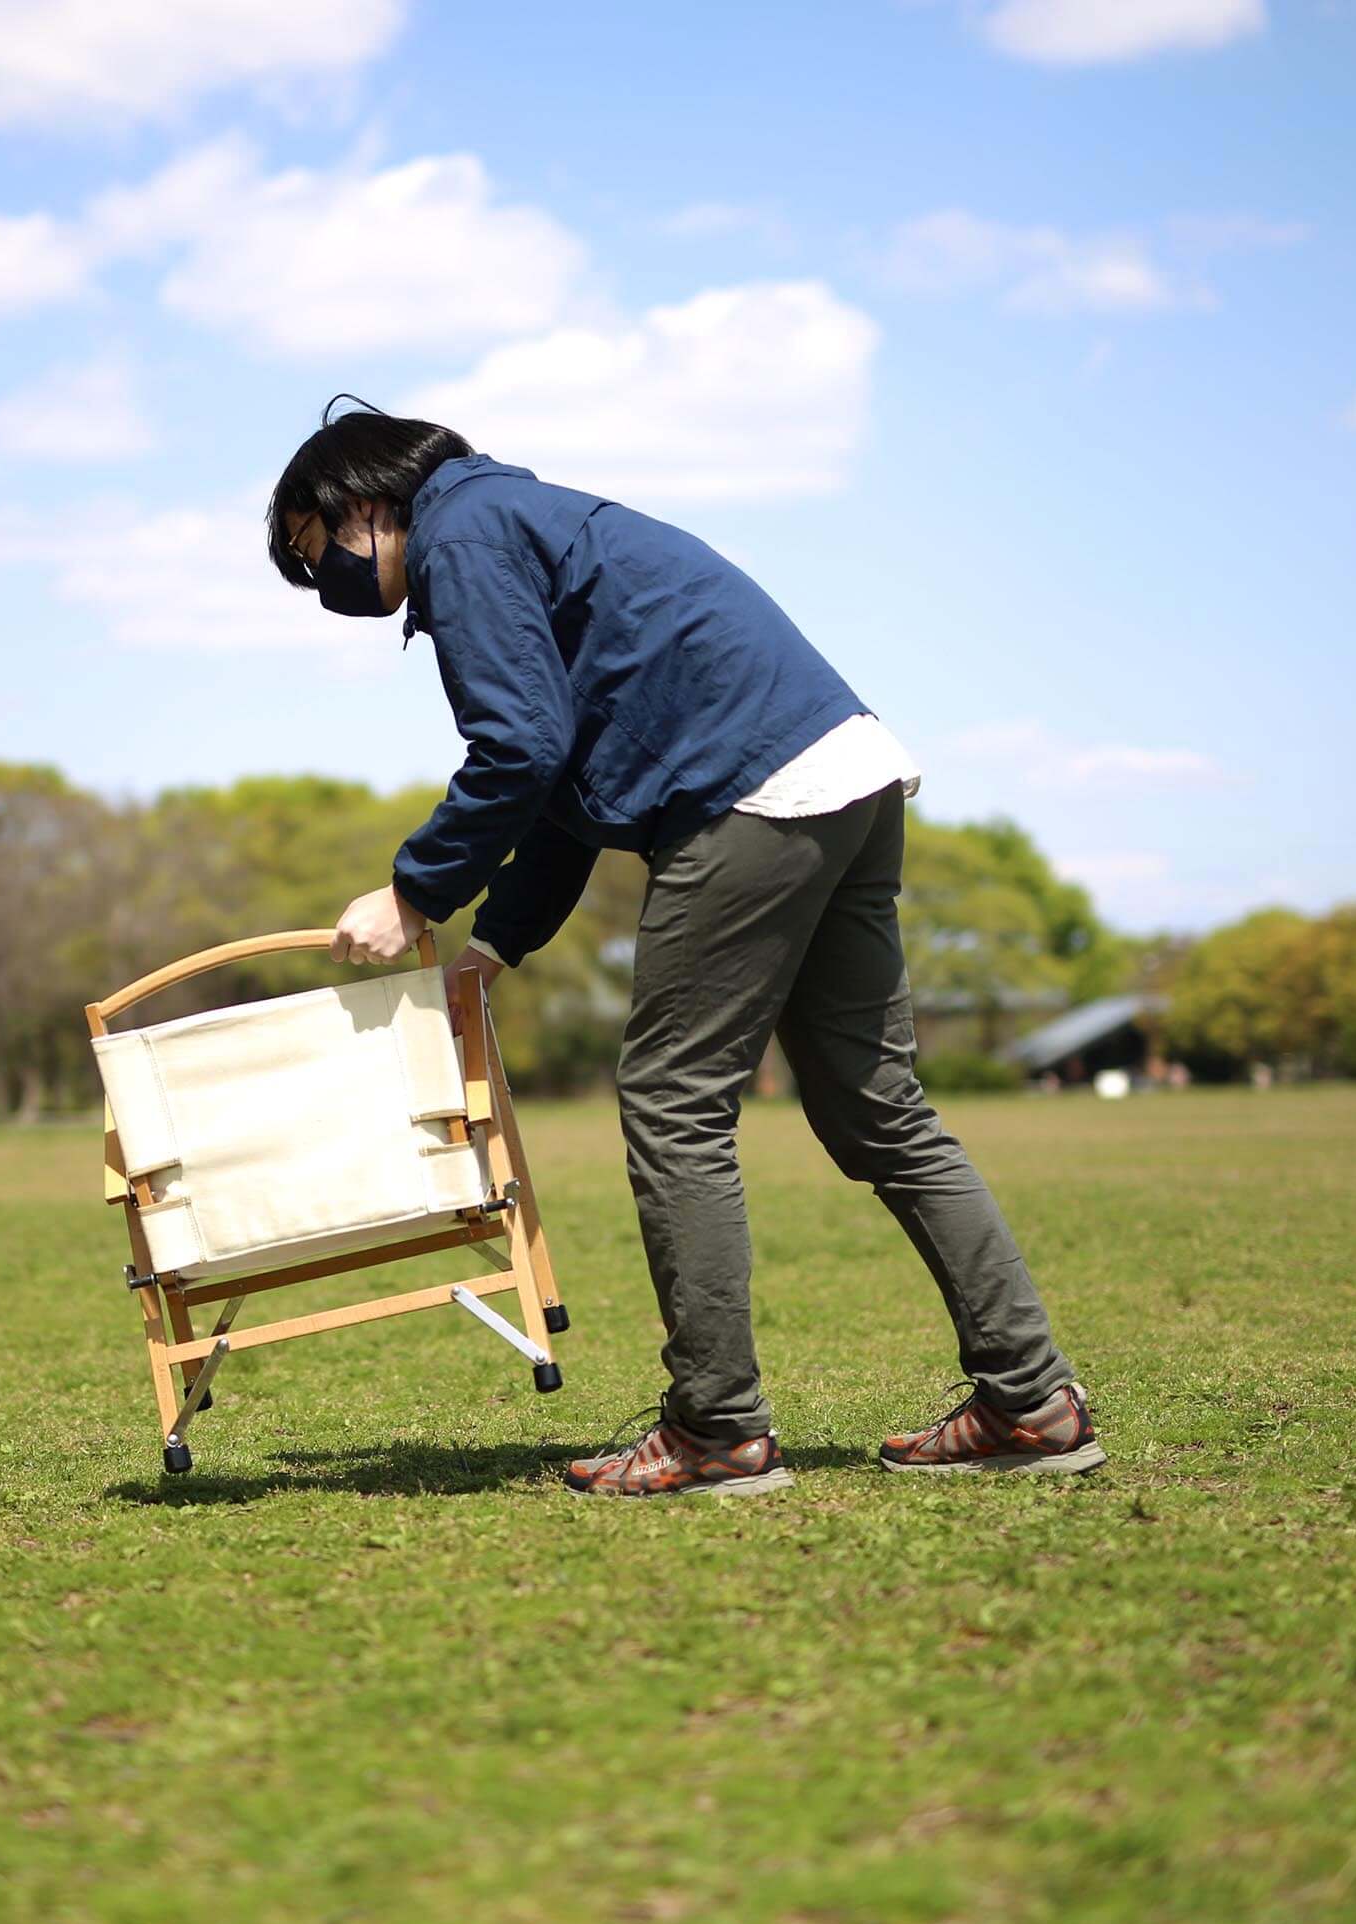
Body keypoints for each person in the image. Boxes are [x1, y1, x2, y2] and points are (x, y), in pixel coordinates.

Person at [268, 404, 1103, 1498]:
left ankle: (716, 1429)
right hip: (840, 768)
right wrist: (499, 942)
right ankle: (1031, 1400)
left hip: (747, 791)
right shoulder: (519, 516)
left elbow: (518, 748)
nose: (317, 579)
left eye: (312, 550)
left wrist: (414, 891)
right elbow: (567, 787)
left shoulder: (460, 534)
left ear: (364, 502)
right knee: (877, 1108)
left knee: (673, 1102)